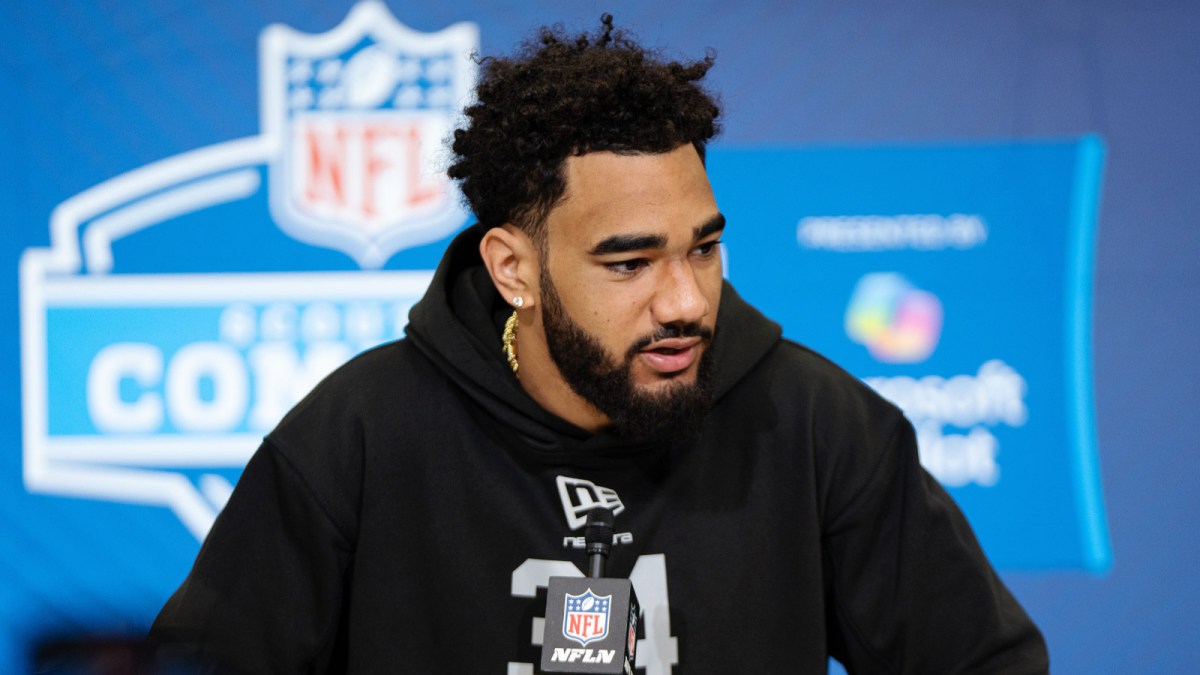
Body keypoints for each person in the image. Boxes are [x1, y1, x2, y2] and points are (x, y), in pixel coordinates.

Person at [150, 15, 1049, 674]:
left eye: (704, 246)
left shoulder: (817, 424)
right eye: (630, 263)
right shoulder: (355, 437)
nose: (688, 300)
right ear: (514, 269)